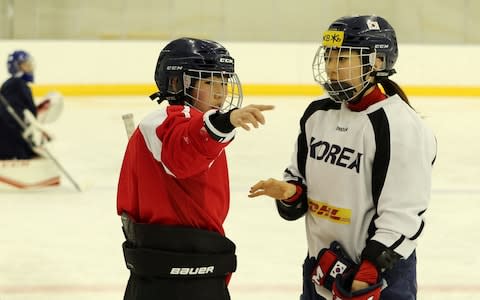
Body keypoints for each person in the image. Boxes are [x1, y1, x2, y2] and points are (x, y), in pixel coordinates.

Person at [248, 15, 437, 300]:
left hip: (375, 276)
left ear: (376, 62)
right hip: (320, 268)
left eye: (343, 58)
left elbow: (404, 213)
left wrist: (370, 270)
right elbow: (299, 180)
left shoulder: (400, 126)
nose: (331, 68)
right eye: (328, 57)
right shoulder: (318, 114)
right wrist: (289, 192)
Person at [116, 37, 274, 300]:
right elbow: (183, 154)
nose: (220, 92)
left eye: (223, 81)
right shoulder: (168, 121)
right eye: (209, 81)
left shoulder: (174, 123)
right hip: (179, 279)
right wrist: (225, 122)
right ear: (176, 82)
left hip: (169, 271)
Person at [0, 50, 63, 189]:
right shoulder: (16, 85)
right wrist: (26, 135)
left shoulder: (17, 85)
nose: (30, 68)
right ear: (16, 67)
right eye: (25, 65)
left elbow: (21, 113)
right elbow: (10, 118)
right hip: (8, 143)